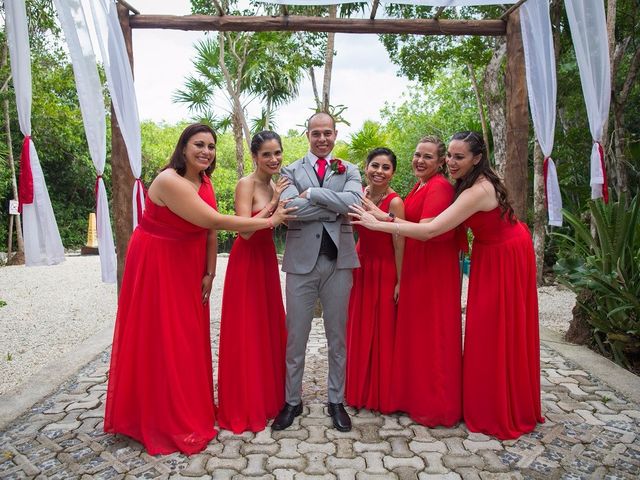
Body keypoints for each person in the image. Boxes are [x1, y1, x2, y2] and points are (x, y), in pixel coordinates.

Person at [104, 123, 295, 455]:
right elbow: (215, 222)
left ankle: (192, 405)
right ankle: (161, 415)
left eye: (211, 146)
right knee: (166, 336)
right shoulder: (169, 181)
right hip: (159, 261)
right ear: (183, 147)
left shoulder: (202, 180)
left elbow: (207, 233)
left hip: (188, 262)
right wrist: (270, 220)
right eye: (199, 145)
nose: (206, 151)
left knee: (191, 337)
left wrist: (210, 270)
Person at [350, 131, 544, 439]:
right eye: (450, 156)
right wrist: (378, 214)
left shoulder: (475, 190)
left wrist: (377, 224)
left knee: (496, 329)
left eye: (458, 157)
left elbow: (431, 230)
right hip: (489, 250)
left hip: (505, 253)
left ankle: (501, 406)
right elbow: (421, 221)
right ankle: (489, 399)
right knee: (485, 330)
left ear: (477, 158)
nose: (452, 163)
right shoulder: (456, 183)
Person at [271, 112, 362, 432]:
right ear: (307, 134)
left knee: (338, 337)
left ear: (335, 134)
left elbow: (354, 204)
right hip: (300, 264)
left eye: (327, 133)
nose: (322, 139)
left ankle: (336, 400)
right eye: (316, 133)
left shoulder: (350, 169)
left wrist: (310, 194)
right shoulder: (289, 169)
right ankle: (291, 401)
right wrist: (330, 204)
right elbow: (290, 210)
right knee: (296, 336)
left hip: (340, 263)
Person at [216, 131, 289, 433]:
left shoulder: (275, 182)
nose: (274, 159)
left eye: (277, 153)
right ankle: (246, 403)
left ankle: (270, 397)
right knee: (247, 329)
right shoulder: (245, 184)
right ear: (254, 156)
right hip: (246, 261)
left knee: (267, 327)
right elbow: (245, 230)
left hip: (266, 260)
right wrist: (273, 203)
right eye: (267, 154)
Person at [345, 148, 404, 412]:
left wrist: (400, 280)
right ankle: (358, 388)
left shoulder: (394, 202)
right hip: (361, 265)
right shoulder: (360, 194)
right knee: (359, 325)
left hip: (384, 266)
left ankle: (380, 393)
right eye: (375, 166)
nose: (379, 171)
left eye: (386, 167)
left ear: (392, 172)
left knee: (381, 329)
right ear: (366, 167)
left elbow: (400, 241)